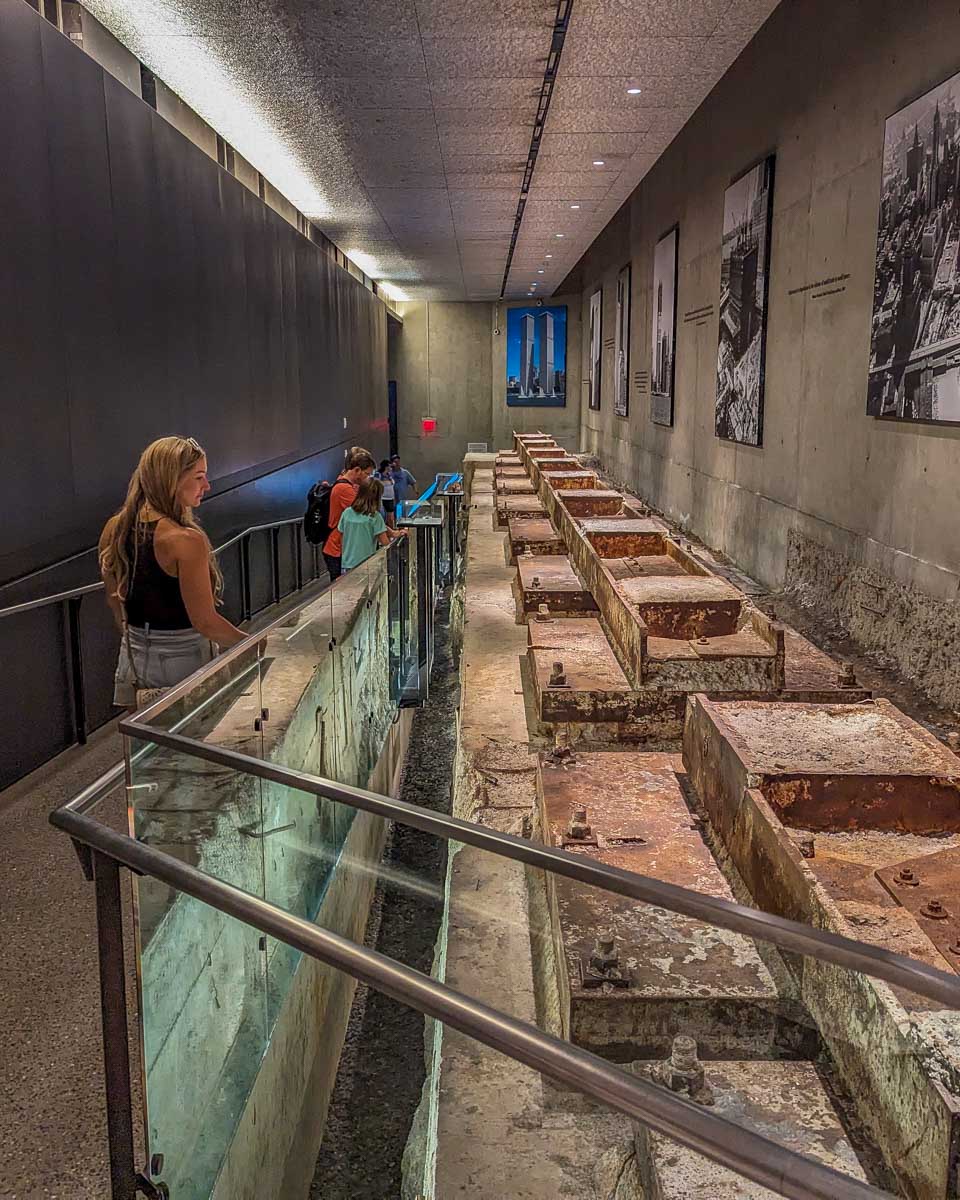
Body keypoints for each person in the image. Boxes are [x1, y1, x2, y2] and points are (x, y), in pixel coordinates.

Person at [99, 436, 247, 707]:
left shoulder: (114, 528)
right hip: (182, 659)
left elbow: (114, 599)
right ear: (172, 480)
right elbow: (205, 621)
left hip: (132, 658)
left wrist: (139, 641)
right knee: (191, 744)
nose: (207, 485)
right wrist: (254, 644)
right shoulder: (184, 540)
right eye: (199, 477)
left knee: (145, 746)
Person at [322, 446, 376, 579]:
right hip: (337, 548)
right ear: (356, 469)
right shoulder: (344, 489)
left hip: (341, 548)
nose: (367, 478)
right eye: (367, 474)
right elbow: (367, 514)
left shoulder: (346, 484)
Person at [338, 477, 405, 570]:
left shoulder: (346, 513)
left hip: (347, 565)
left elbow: (342, 539)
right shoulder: (374, 516)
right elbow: (385, 544)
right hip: (367, 566)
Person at [376, 458, 397, 529]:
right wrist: (386, 483)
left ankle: (391, 531)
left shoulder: (389, 475)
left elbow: (392, 483)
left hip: (390, 498)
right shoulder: (378, 474)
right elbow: (376, 483)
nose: (391, 468)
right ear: (386, 466)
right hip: (381, 498)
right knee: (381, 516)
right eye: (389, 466)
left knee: (390, 517)